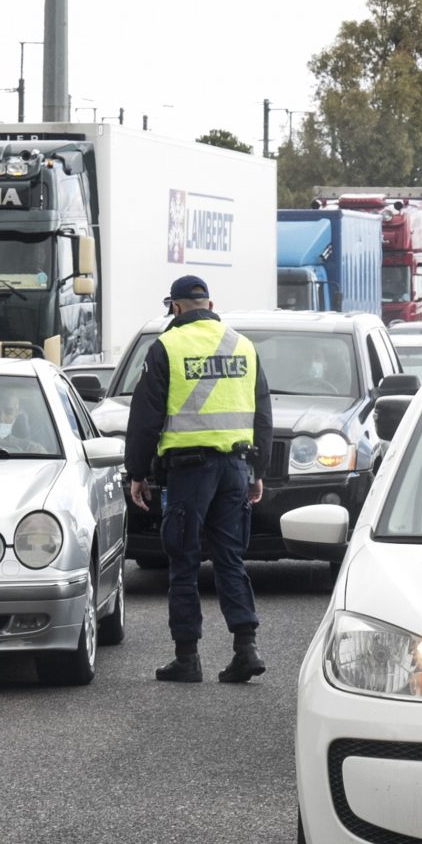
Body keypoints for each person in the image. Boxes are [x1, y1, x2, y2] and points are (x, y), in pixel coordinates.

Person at [124, 275, 272, 684]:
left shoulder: (166, 347)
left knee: (185, 561)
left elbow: (145, 417)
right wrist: (257, 470)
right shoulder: (243, 346)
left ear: (175, 307)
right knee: (230, 559)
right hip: (235, 469)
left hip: (190, 473)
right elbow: (262, 414)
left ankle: (187, 658)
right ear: (210, 303)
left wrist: (137, 473)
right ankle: (247, 648)